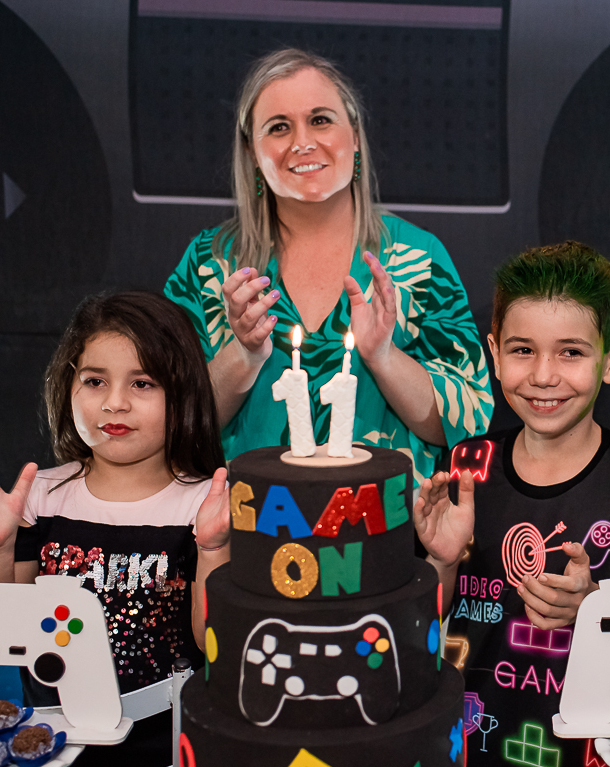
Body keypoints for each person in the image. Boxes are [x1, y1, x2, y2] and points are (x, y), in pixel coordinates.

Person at [418, 241, 610, 767]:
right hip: (472, 764)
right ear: (495, 354)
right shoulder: (467, 467)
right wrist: (441, 564)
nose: (543, 376)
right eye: (523, 350)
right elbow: (416, 629)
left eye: (570, 352)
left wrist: (596, 607)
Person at [0, 290, 231, 767]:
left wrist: (214, 548)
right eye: (95, 381)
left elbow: (214, 643)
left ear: (184, 395)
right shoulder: (41, 495)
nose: (115, 403)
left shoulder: (205, 505)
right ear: (67, 387)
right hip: (54, 764)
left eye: (142, 383)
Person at [164, 48, 493, 483]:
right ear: (251, 152)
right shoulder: (210, 262)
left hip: (382, 519)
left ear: (354, 135)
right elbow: (170, 425)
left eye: (320, 120)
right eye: (279, 127)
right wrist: (242, 353)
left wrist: (384, 357)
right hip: (250, 519)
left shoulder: (418, 258)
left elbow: (466, 422)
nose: (302, 142)